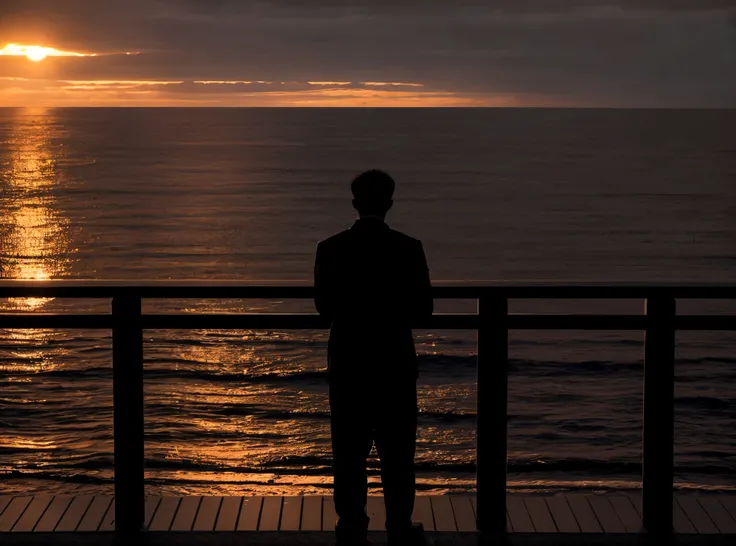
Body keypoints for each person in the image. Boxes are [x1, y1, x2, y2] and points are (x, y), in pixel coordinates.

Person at [314, 170, 433, 545]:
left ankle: (350, 524)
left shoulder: (330, 248)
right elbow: (423, 311)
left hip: (349, 362)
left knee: (348, 450)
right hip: (394, 362)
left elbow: (323, 309)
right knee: (398, 452)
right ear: (390, 203)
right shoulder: (409, 247)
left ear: (354, 204)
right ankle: (398, 524)